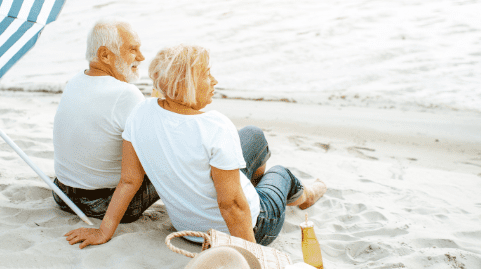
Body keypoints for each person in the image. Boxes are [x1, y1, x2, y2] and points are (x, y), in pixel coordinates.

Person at [64, 44, 326, 247]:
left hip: (187, 229)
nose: (215, 81)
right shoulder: (215, 126)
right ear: (184, 85)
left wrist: (103, 231)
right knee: (281, 174)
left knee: (253, 135)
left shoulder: (139, 113)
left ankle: (248, 186)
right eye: (206, 75)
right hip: (249, 227)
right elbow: (231, 208)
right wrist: (251, 261)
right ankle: (305, 197)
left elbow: (129, 182)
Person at [52, 17, 159, 223]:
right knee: (177, 156)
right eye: (133, 50)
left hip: (62, 195)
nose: (142, 57)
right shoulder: (126, 94)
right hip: (102, 204)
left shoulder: (75, 81)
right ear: (105, 55)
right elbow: (152, 154)